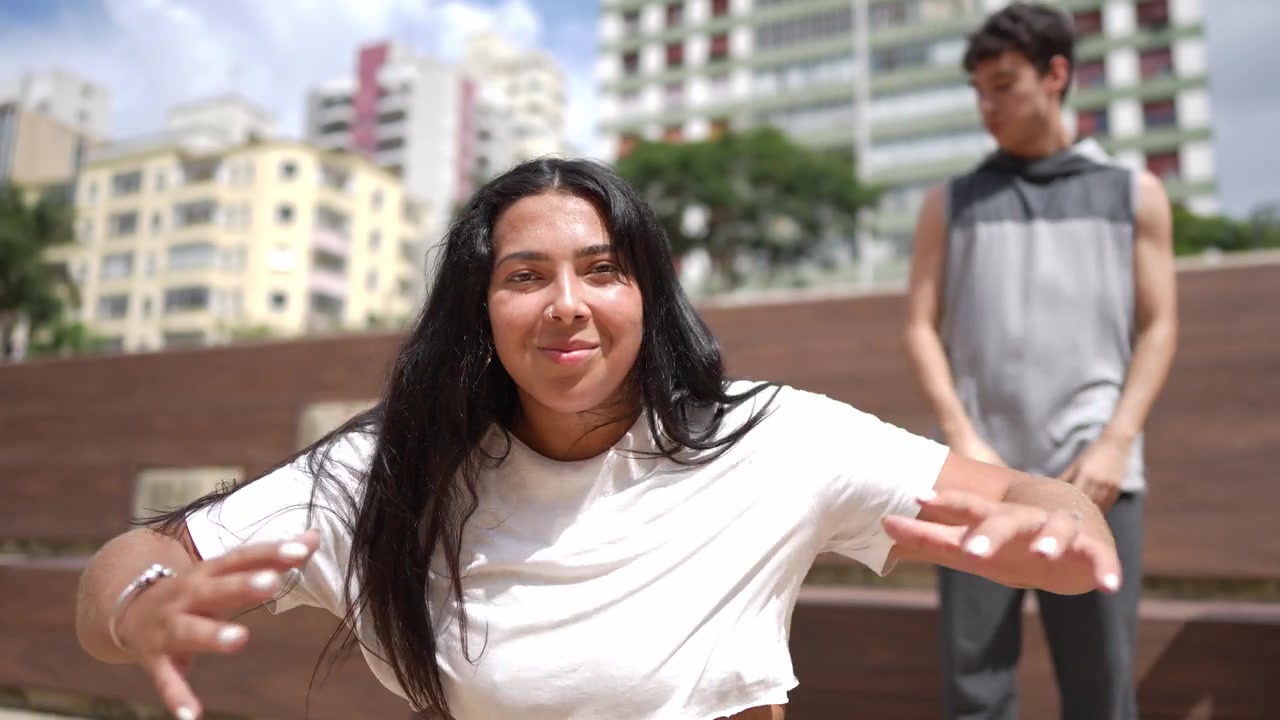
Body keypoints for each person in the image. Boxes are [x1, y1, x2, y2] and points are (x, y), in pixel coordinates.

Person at [77, 157, 1123, 720]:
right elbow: (128, 566)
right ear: (479, 312)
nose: (566, 303)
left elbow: (1035, 501)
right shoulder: (389, 466)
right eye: (525, 276)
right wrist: (141, 605)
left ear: (647, 296)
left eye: (602, 269)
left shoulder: (770, 436)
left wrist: (1063, 526)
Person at [903, 4, 1178, 720]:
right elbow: (919, 328)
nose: (987, 106)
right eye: (978, 91)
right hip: (978, 475)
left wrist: (1117, 441)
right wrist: (960, 436)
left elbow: (1160, 326)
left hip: (1096, 477)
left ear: (1056, 75)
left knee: (1101, 689)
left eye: (1003, 85)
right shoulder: (949, 203)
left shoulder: (1136, 193)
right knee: (975, 690)